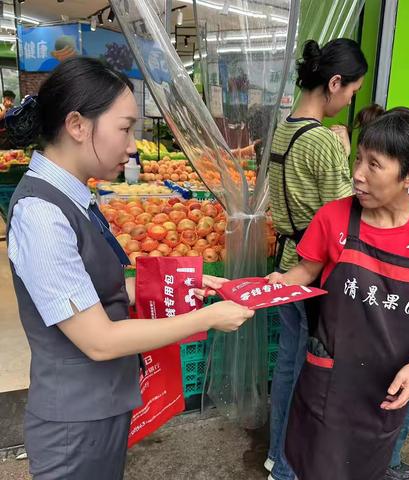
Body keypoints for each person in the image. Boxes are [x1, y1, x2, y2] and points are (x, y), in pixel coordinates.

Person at [6, 57, 254, 480]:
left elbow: (92, 292)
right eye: (124, 128)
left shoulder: (71, 196)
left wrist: (184, 282)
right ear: (78, 126)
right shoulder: (41, 214)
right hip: (75, 426)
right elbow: (99, 340)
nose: (133, 145)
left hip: (100, 408)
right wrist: (207, 317)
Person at [268, 106, 409, 480]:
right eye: (358, 158)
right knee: (313, 460)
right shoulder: (334, 217)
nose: (357, 175)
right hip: (332, 378)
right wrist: (264, 288)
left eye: (374, 165)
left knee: (366, 465)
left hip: (390, 381)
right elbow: (305, 271)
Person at [266, 38, 367, 480]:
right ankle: (288, 466)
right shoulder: (324, 141)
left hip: (287, 253)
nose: (349, 102)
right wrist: (345, 157)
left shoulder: (283, 128)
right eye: (351, 92)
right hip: (314, 268)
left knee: (288, 363)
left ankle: (276, 454)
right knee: (309, 371)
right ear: (334, 82)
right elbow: (345, 212)